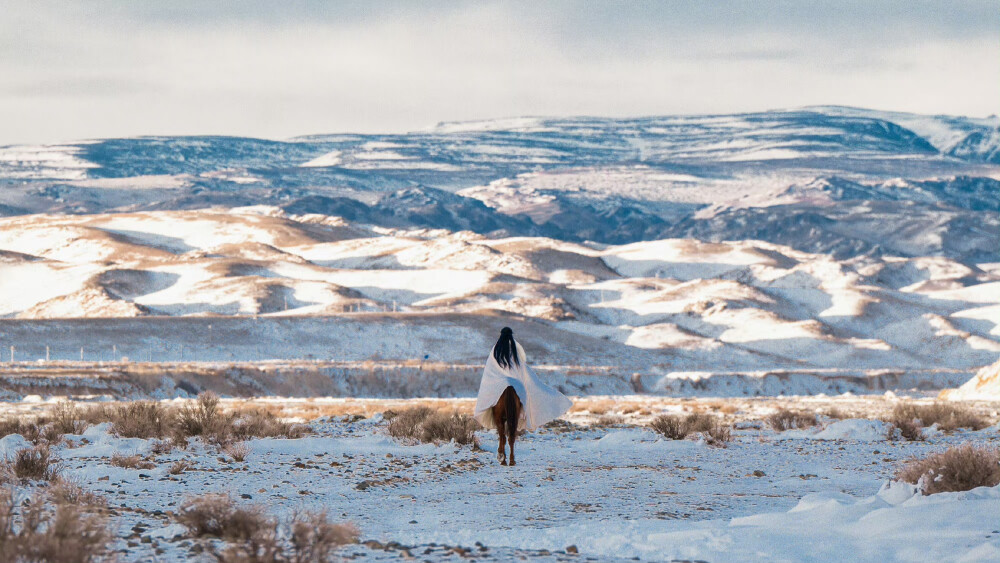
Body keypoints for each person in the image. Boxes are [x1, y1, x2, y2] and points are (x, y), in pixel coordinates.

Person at [474, 327, 572, 464]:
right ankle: (512, 455)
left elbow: (489, 372)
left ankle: (501, 445)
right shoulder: (514, 351)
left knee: (492, 398)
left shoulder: (495, 351)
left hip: (497, 384)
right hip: (514, 385)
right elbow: (523, 370)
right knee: (521, 400)